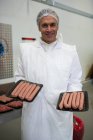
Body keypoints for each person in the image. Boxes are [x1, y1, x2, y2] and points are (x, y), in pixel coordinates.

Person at [15, 8, 83, 140]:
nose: (49, 29)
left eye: (53, 24)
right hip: (33, 111)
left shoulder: (69, 51)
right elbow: (20, 76)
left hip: (59, 112)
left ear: (58, 26)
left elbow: (75, 80)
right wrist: (24, 91)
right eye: (44, 25)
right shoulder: (26, 50)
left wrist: (70, 99)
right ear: (39, 27)